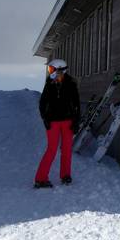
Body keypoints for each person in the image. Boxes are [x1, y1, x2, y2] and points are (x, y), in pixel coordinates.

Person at [34, 58, 80, 188]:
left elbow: (76, 104)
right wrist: (45, 118)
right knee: (52, 149)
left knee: (66, 149)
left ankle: (65, 175)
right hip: (53, 122)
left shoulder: (71, 84)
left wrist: (76, 121)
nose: (50, 71)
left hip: (68, 121)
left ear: (60, 70)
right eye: (50, 69)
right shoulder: (49, 83)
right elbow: (42, 103)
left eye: (51, 69)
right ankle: (40, 179)